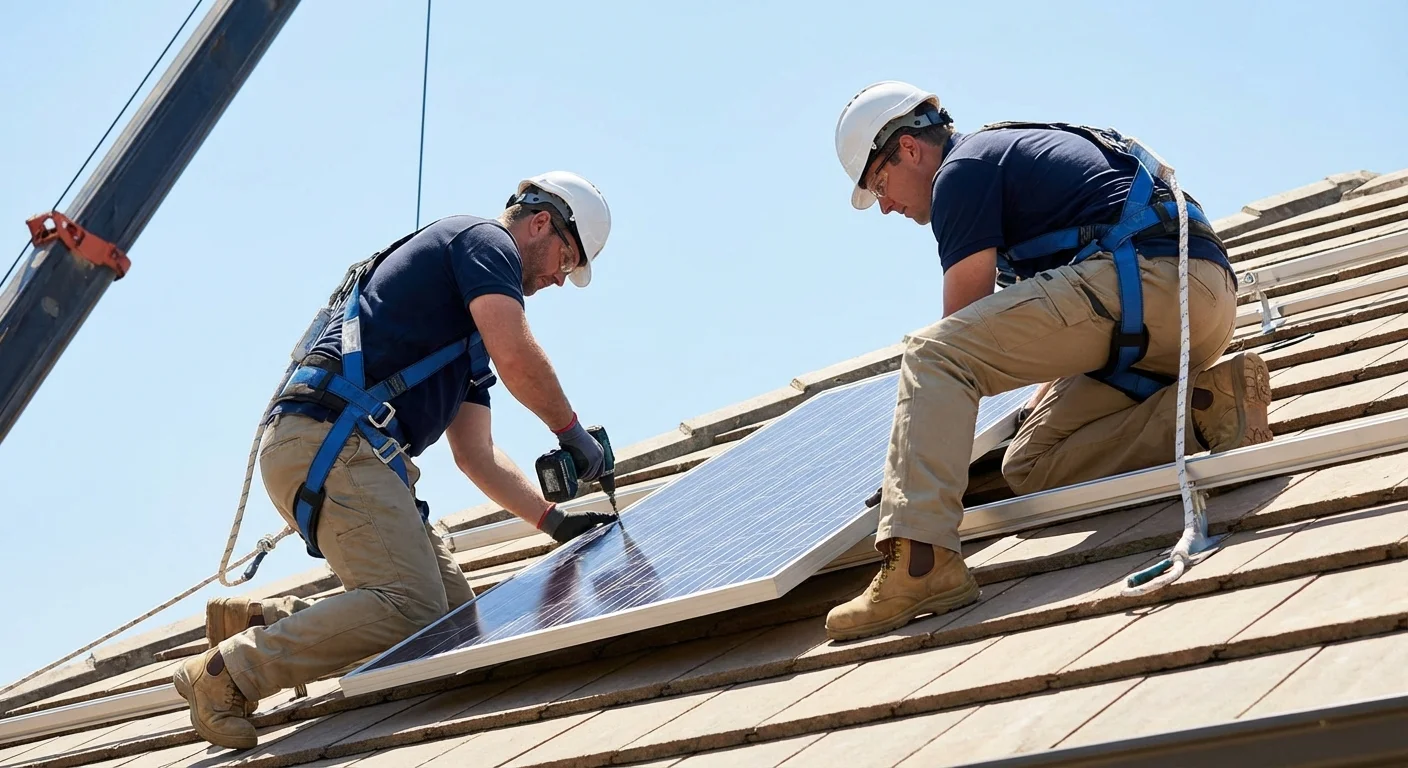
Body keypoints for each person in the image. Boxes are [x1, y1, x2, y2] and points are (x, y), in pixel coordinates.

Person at [173, 171, 619, 748]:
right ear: (540, 224)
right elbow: (517, 353)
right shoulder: (483, 243)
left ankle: (268, 621)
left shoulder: (464, 336)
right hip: (331, 442)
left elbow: (476, 456)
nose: (561, 279)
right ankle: (226, 675)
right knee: (410, 607)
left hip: (351, 453)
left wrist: (554, 522)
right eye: (567, 258)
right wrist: (571, 431)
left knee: (453, 635)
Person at [825, 82, 1272, 642]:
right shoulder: (1010, 169)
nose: (886, 205)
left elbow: (956, 340)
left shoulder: (961, 172)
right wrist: (924, 453)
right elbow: (1043, 328)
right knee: (1031, 462)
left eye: (880, 185)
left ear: (909, 150)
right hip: (1194, 306)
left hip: (1150, 283)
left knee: (932, 352)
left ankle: (920, 560)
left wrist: (912, 477)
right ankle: (1209, 409)